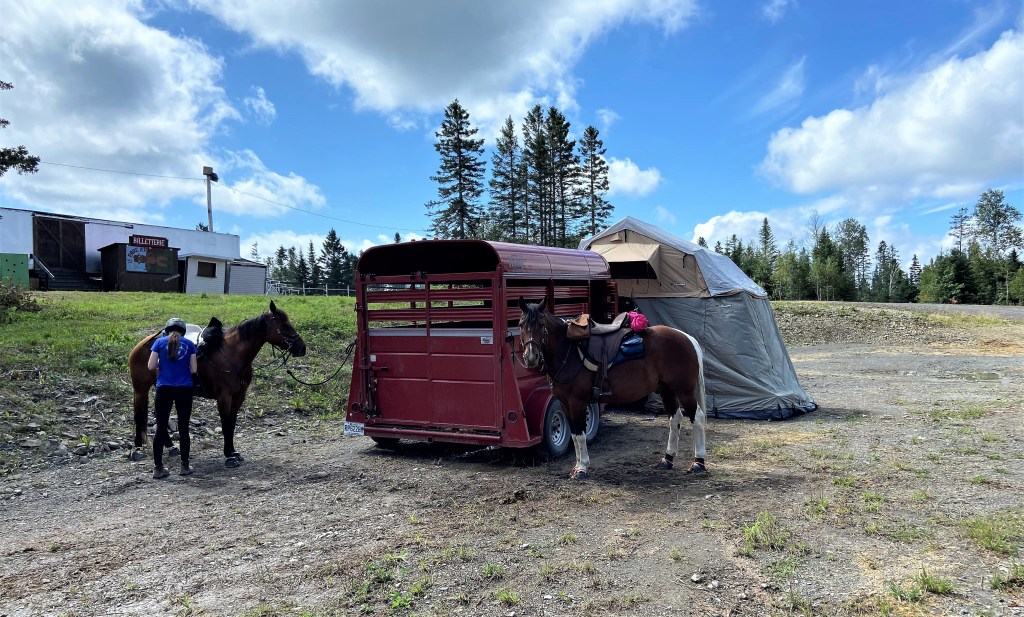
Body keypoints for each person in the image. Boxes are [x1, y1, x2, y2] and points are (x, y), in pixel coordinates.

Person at [147, 317, 199, 479]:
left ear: (167, 330)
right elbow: (194, 370)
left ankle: (158, 468)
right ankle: (184, 466)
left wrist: (162, 364)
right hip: (184, 389)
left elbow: (150, 366)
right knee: (184, 428)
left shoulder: (159, 342)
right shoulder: (190, 344)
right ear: (183, 331)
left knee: (161, 428)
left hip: (164, 388)